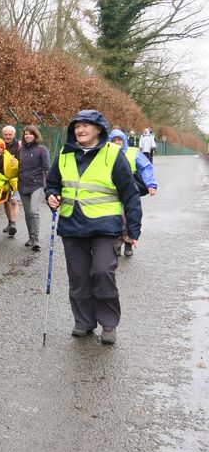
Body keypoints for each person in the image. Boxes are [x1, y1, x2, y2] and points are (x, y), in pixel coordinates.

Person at [46, 110, 142, 345]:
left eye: (86, 125)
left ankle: (108, 323)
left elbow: (130, 194)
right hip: (72, 224)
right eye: (77, 125)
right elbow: (52, 183)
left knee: (101, 272)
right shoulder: (65, 154)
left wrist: (133, 229)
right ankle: (84, 321)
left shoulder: (113, 154)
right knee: (78, 276)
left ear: (99, 129)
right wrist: (51, 195)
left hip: (105, 226)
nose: (80, 130)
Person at [109, 129, 158, 257]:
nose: (117, 143)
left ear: (124, 140)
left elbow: (146, 168)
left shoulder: (133, 152)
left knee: (131, 215)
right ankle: (117, 243)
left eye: (119, 140)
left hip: (130, 191)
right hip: (112, 192)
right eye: (114, 140)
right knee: (116, 217)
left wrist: (150, 184)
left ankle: (129, 242)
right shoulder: (106, 154)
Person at [17, 125, 50, 251]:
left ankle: (36, 239)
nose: (28, 136)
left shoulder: (41, 149)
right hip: (22, 184)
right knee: (27, 213)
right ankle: (30, 237)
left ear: (35, 135)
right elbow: (16, 166)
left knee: (33, 211)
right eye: (26, 134)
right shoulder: (21, 149)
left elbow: (47, 168)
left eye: (30, 134)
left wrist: (49, 186)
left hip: (36, 184)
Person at [0, 125, 21, 235]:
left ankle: (13, 223)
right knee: (6, 201)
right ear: (2, 135)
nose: (7, 137)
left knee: (14, 200)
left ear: (14, 135)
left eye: (10, 135)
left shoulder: (19, 146)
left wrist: (17, 163)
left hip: (16, 177)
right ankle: (9, 222)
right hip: (2, 177)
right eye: (5, 135)